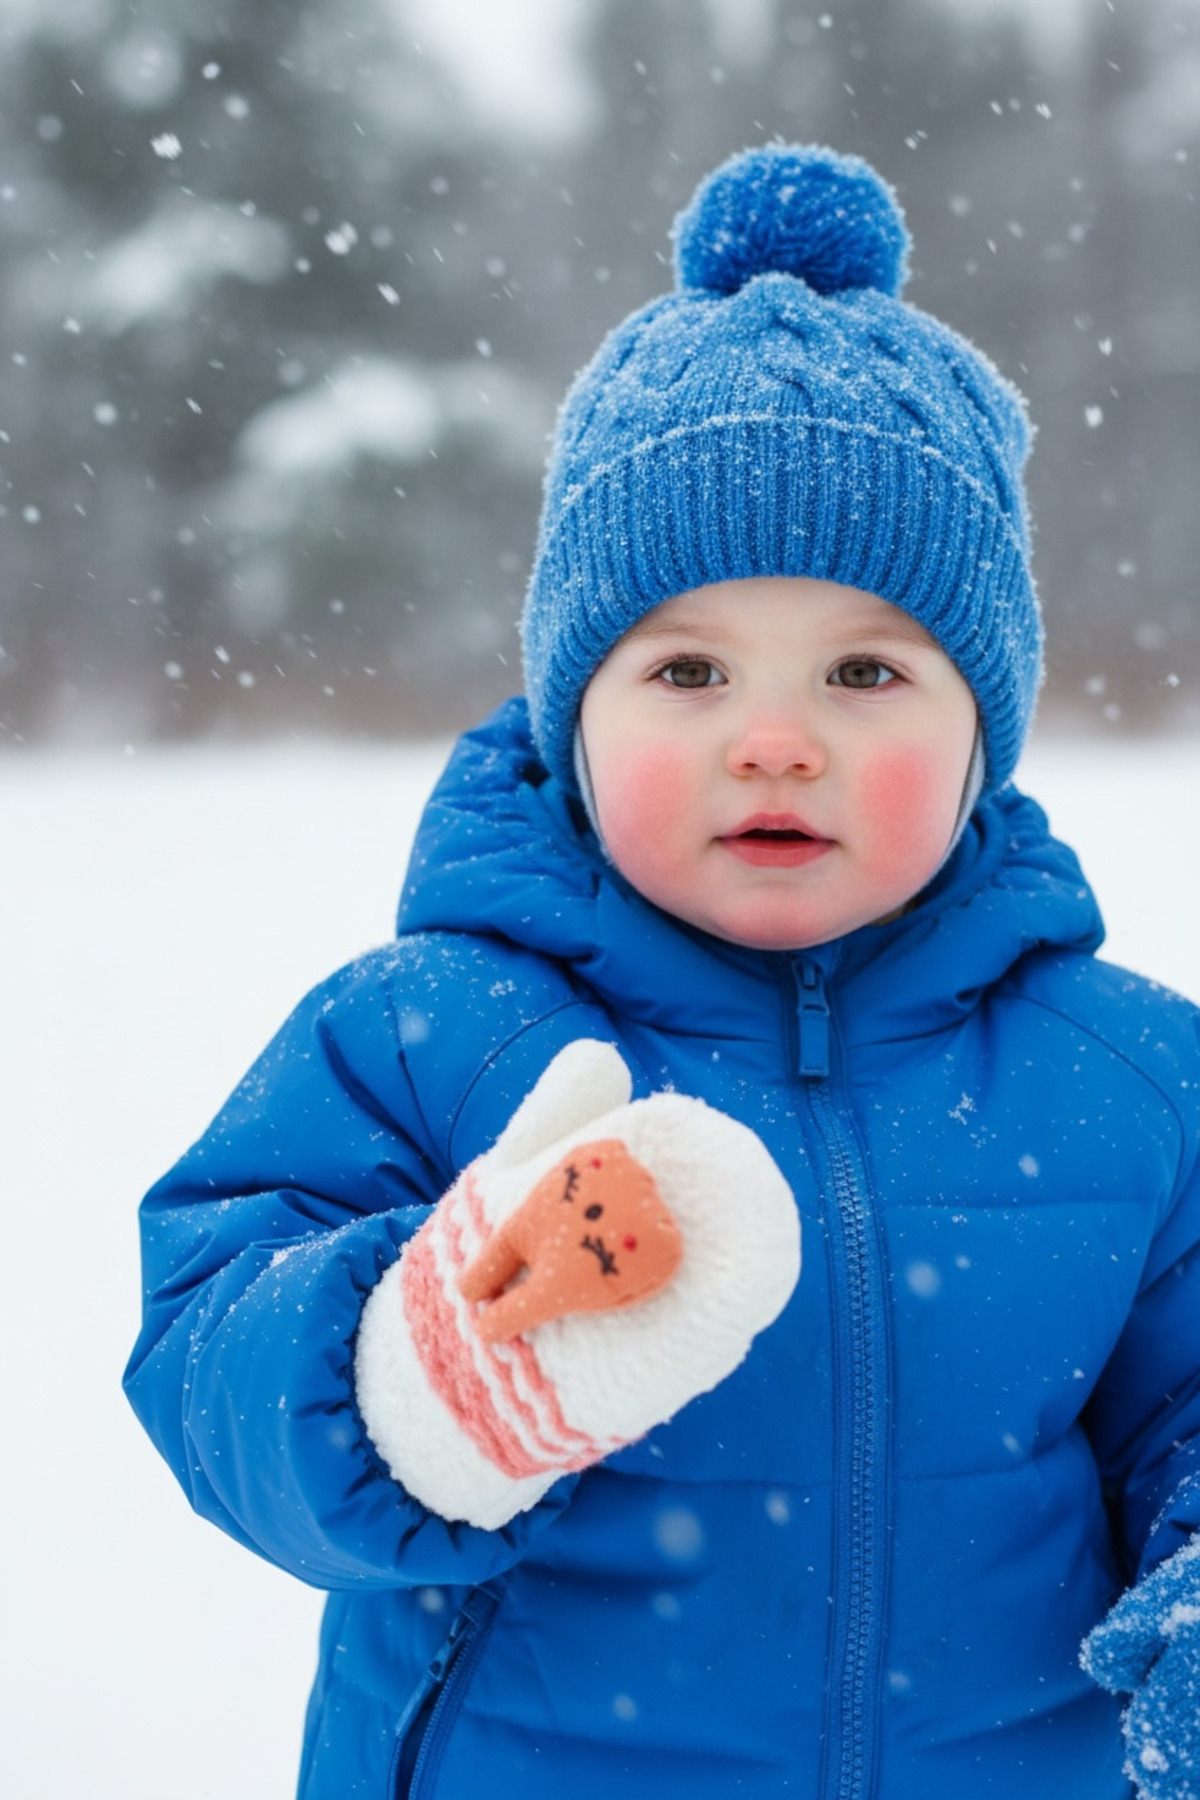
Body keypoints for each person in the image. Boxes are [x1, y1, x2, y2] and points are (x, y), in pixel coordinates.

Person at [124, 145, 1200, 1800]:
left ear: (983, 731)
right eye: (687, 667)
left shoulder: (1131, 1082)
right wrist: (410, 1372)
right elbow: (212, 1362)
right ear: (573, 713)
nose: (775, 740)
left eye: (865, 670)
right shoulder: (427, 1034)